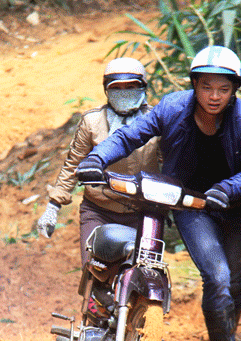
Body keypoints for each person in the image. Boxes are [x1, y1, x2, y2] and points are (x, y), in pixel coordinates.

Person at [76, 45, 241, 341]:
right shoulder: (172, 109)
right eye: (207, 86)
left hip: (238, 210)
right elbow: (129, 136)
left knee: (233, 285)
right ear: (194, 85)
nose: (214, 96)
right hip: (192, 205)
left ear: (235, 91)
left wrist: (228, 188)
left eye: (223, 89)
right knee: (218, 276)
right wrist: (96, 159)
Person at [36, 57, 160, 264]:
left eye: (131, 86)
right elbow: (73, 164)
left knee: (148, 268)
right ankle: (91, 297)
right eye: (117, 88)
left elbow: (175, 161)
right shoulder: (92, 122)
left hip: (144, 213)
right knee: (95, 268)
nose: (124, 92)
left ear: (143, 87)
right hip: (100, 210)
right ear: (106, 91)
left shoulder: (157, 120)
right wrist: (53, 206)